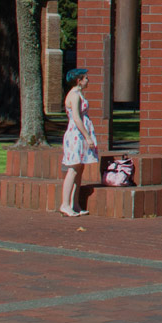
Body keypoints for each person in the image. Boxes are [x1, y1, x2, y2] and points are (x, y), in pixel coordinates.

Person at [59, 68, 97, 217]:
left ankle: (75, 203)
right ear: (79, 80)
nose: (88, 80)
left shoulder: (79, 94)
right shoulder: (74, 95)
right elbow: (76, 117)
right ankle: (65, 204)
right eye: (85, 78)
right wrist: (87, 136)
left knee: (79, 169)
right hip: (76, 135)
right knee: (73, 169)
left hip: (80, 135)